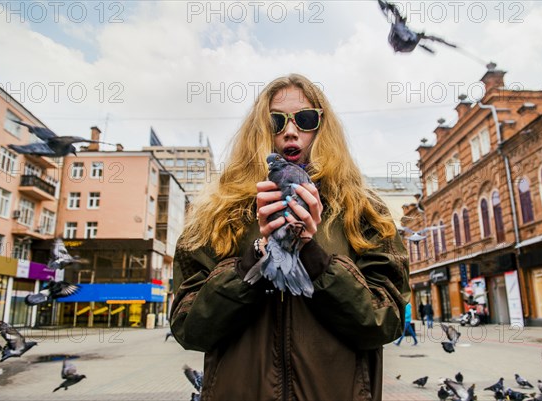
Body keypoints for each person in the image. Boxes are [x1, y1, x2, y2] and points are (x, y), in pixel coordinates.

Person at [169, 73, 410, 401]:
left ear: (322, 126)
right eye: (275, 121)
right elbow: (189, 329)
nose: (290, 131)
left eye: (305, 119)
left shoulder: (365, 211)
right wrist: (255, 257)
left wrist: (314, 256)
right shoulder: (218, 214)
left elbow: (385, 323)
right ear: (260, 129)